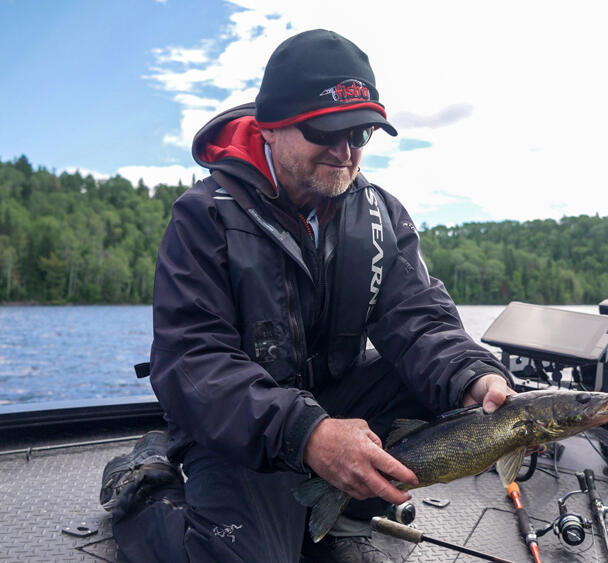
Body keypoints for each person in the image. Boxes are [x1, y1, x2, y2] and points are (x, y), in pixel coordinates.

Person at [100, 29, 514, 563]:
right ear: (271, 127)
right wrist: (309, 433)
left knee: (443, 394)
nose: (345, 152)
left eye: (361, 132)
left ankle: (339, 509)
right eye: (325, 130)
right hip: (241, 427)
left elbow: (420, 321)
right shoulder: (204, 217)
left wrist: (475, 377)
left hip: (336, 403)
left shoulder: (382, 214)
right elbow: (191, 363)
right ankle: (146, 484)